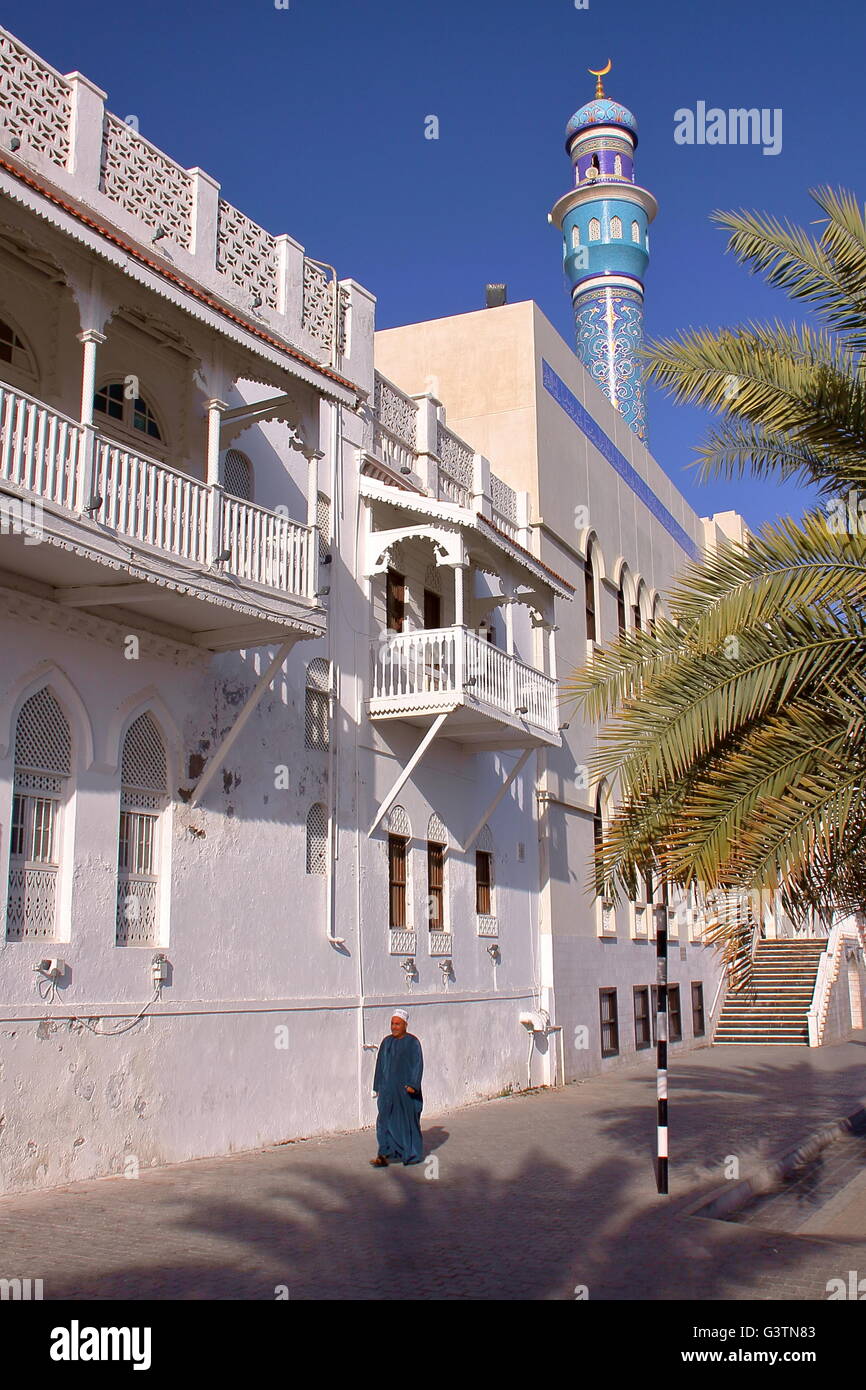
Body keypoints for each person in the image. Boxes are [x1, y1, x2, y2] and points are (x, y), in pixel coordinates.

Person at [370, 1009, 423, 1166]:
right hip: (387, 1091)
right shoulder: (386, 1042)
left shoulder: (413, 1042)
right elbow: (380, 1065)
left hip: (405, 1091)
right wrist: (377, 1086)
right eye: (392, 1023)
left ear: (405, 1025)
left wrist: (413, 1085)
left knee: (406, 1123)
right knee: (384, 1122)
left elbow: (417, 1064)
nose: (394, 1027)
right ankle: (386, 1153)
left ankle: (411, 1154)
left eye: (397, 1024)